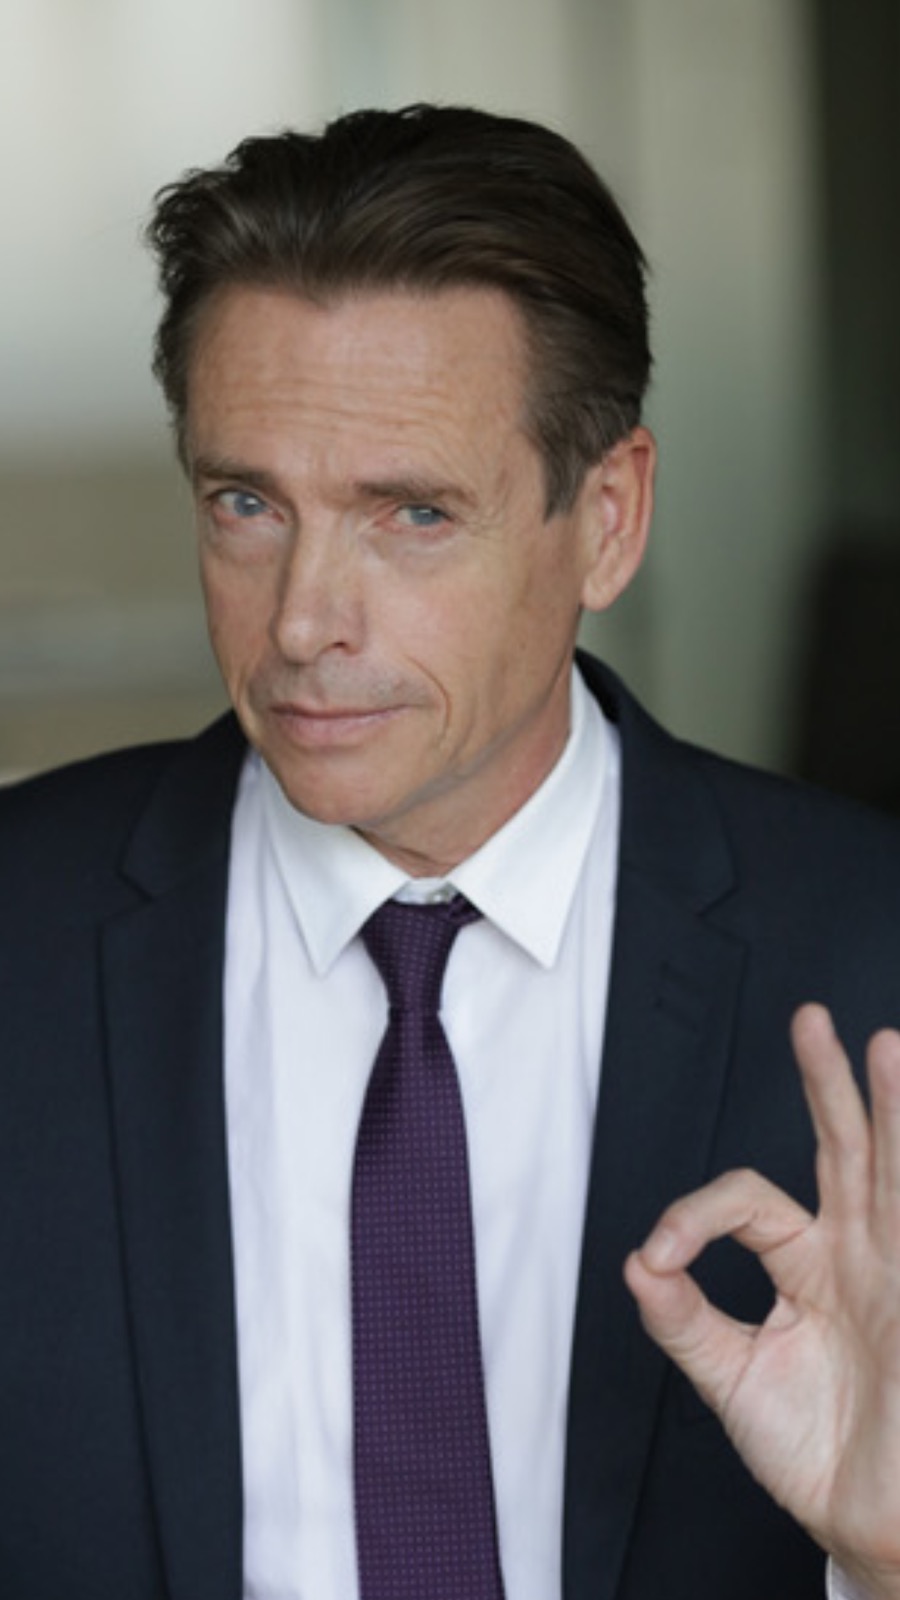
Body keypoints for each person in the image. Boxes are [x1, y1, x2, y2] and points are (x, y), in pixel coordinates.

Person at [1, 102, 899, 1600]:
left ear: (607, 519)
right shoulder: (16, 941)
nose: (302, 621)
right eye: (245, 504)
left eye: (412, 512)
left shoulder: (875, 958)